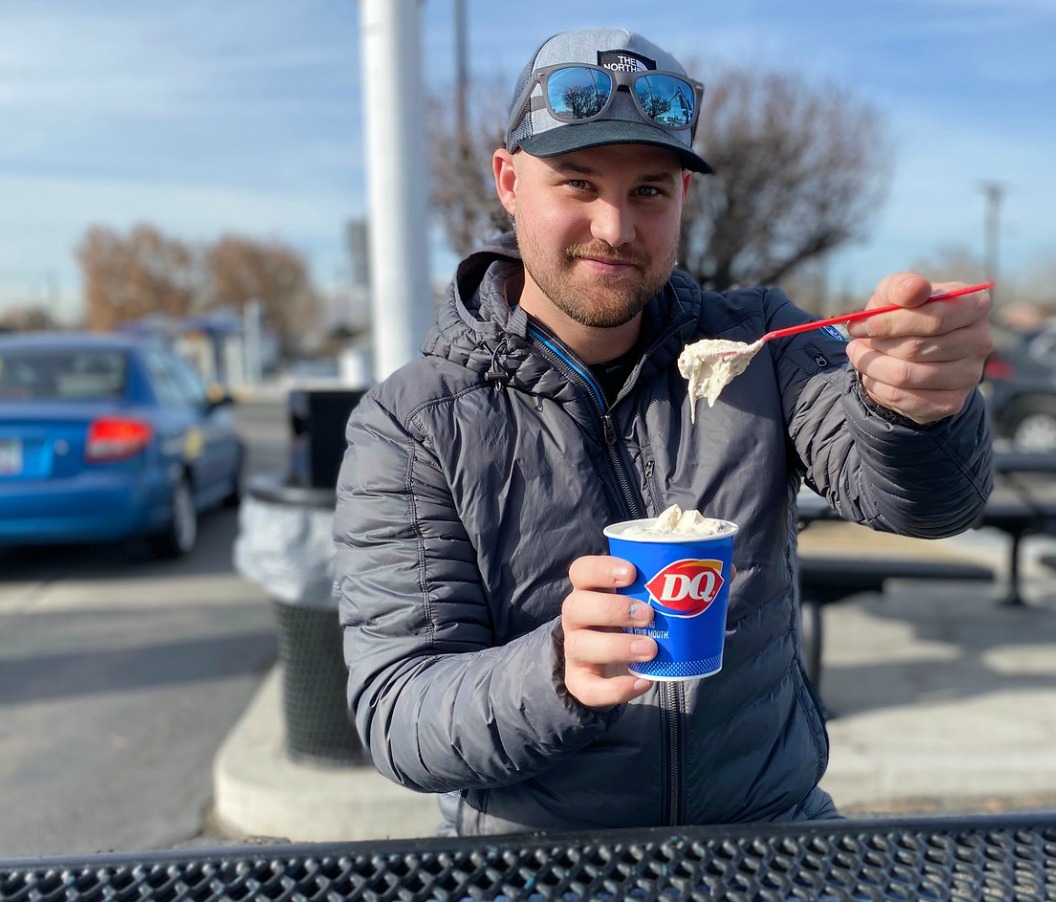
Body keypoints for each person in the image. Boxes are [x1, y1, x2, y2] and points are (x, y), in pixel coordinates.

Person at [333, 27, 995, 837]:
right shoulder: (412, 424)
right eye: (576, 183)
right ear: (508, 182)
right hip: (534, 857)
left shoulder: (758, 344)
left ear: (683, 197)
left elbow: (922, 508)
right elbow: (398, 710)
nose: (614, 226)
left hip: (768, 829)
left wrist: (917, 408)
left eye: (649, 190)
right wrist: (557, 673)